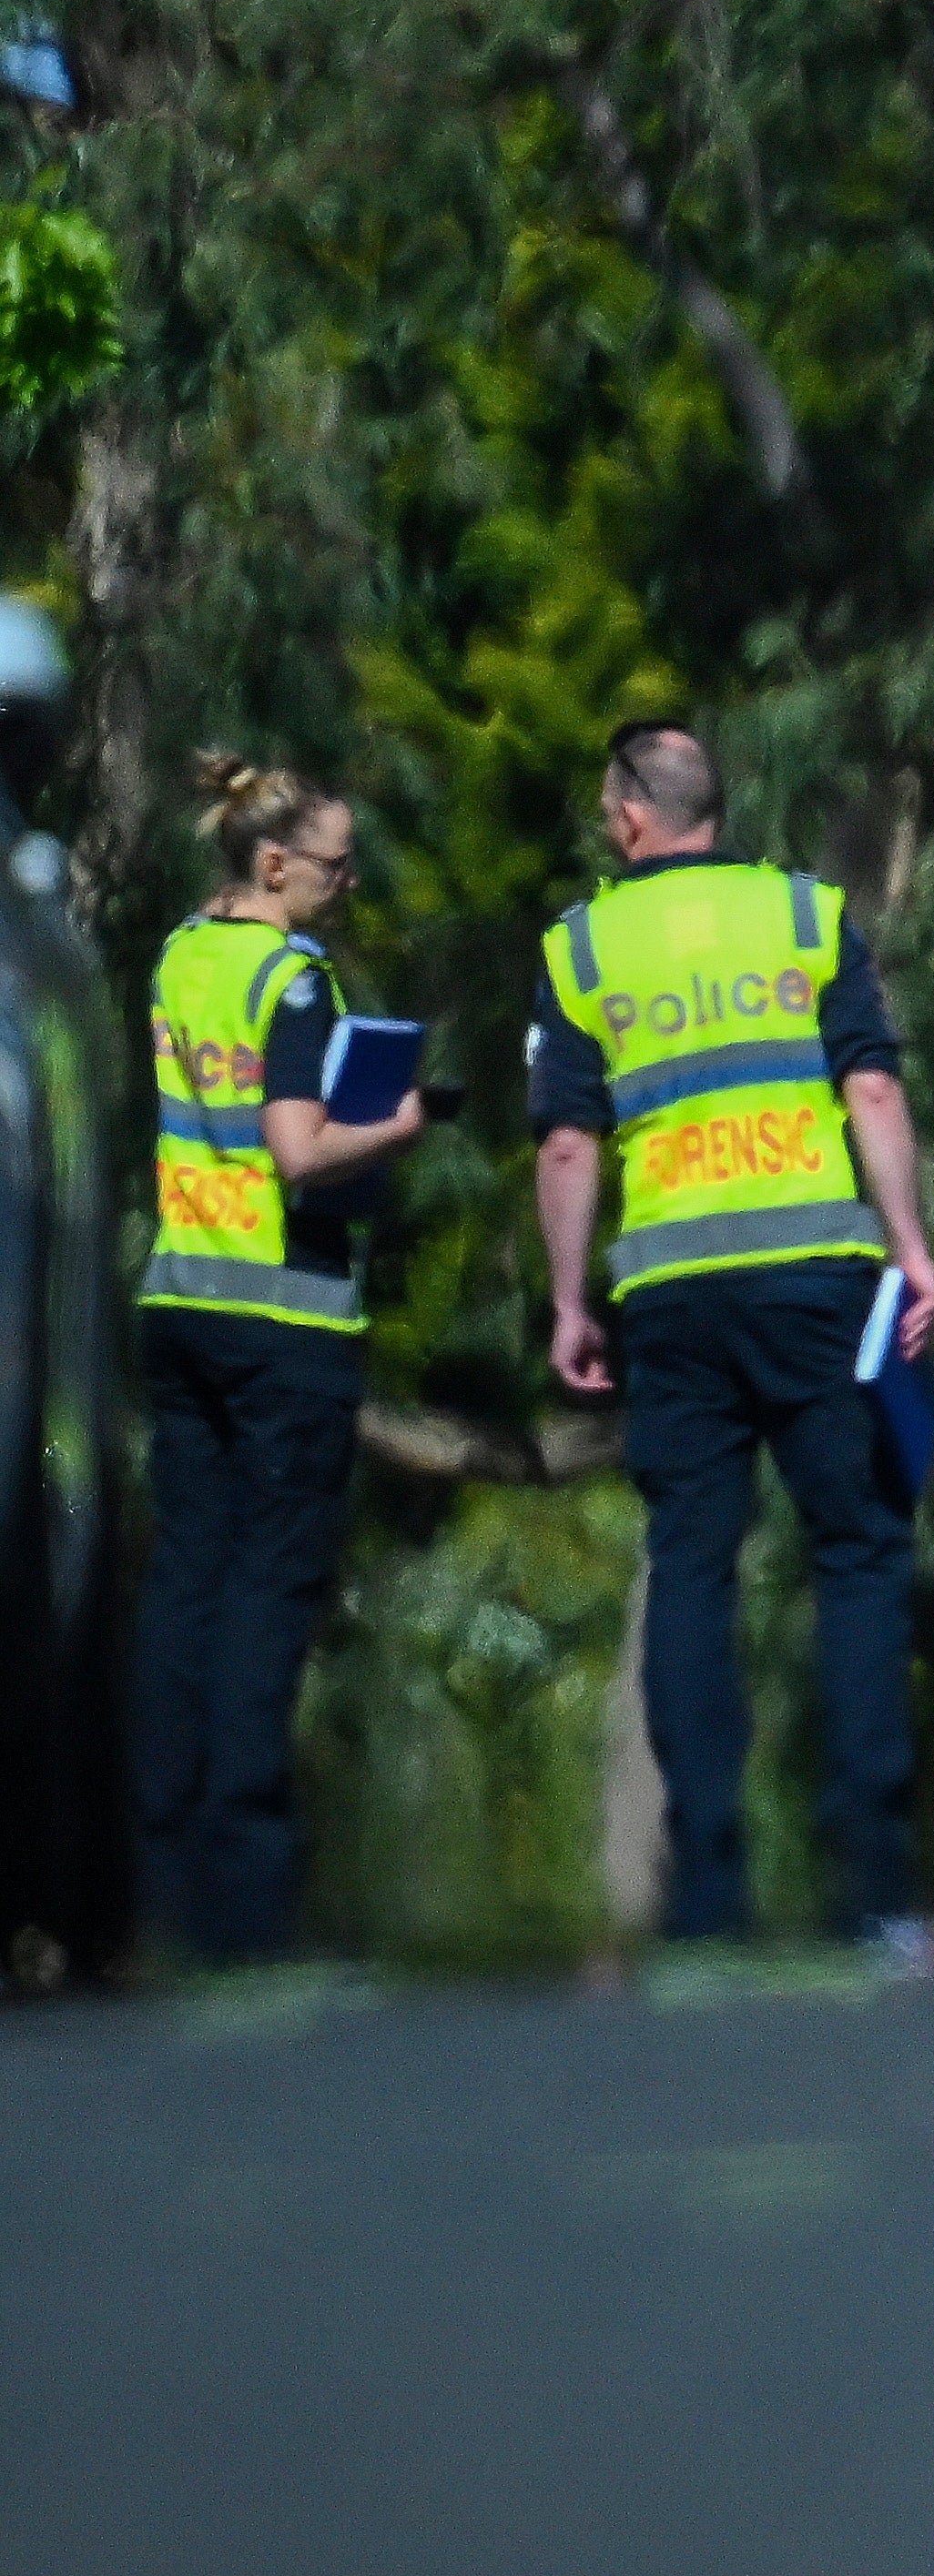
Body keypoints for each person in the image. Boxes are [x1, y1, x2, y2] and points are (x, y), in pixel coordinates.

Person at [534, 721, 934, 1946]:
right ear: (713, 806)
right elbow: (871, 1084)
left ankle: (708, 1879)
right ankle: (873, 1879)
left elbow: (567, 1139)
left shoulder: (583, 946)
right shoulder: (809, 917)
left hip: (675, 1296)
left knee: (695, 1562)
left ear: (626, 819)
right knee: (859, 1555)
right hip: (818, 1278)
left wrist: (569, 1299)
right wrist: (911, 1245)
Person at [132, 750, 428, 1959]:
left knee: (187, 1577)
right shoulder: (292, 979)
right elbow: (299, 1151)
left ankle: (160, 1854)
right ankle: (250, 1871)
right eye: (336, 863)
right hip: (283, 1320)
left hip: (184, 1299)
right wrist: (402, 1120)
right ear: (273, 863)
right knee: (270, 1584)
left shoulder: (178, 957)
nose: (349, 884)